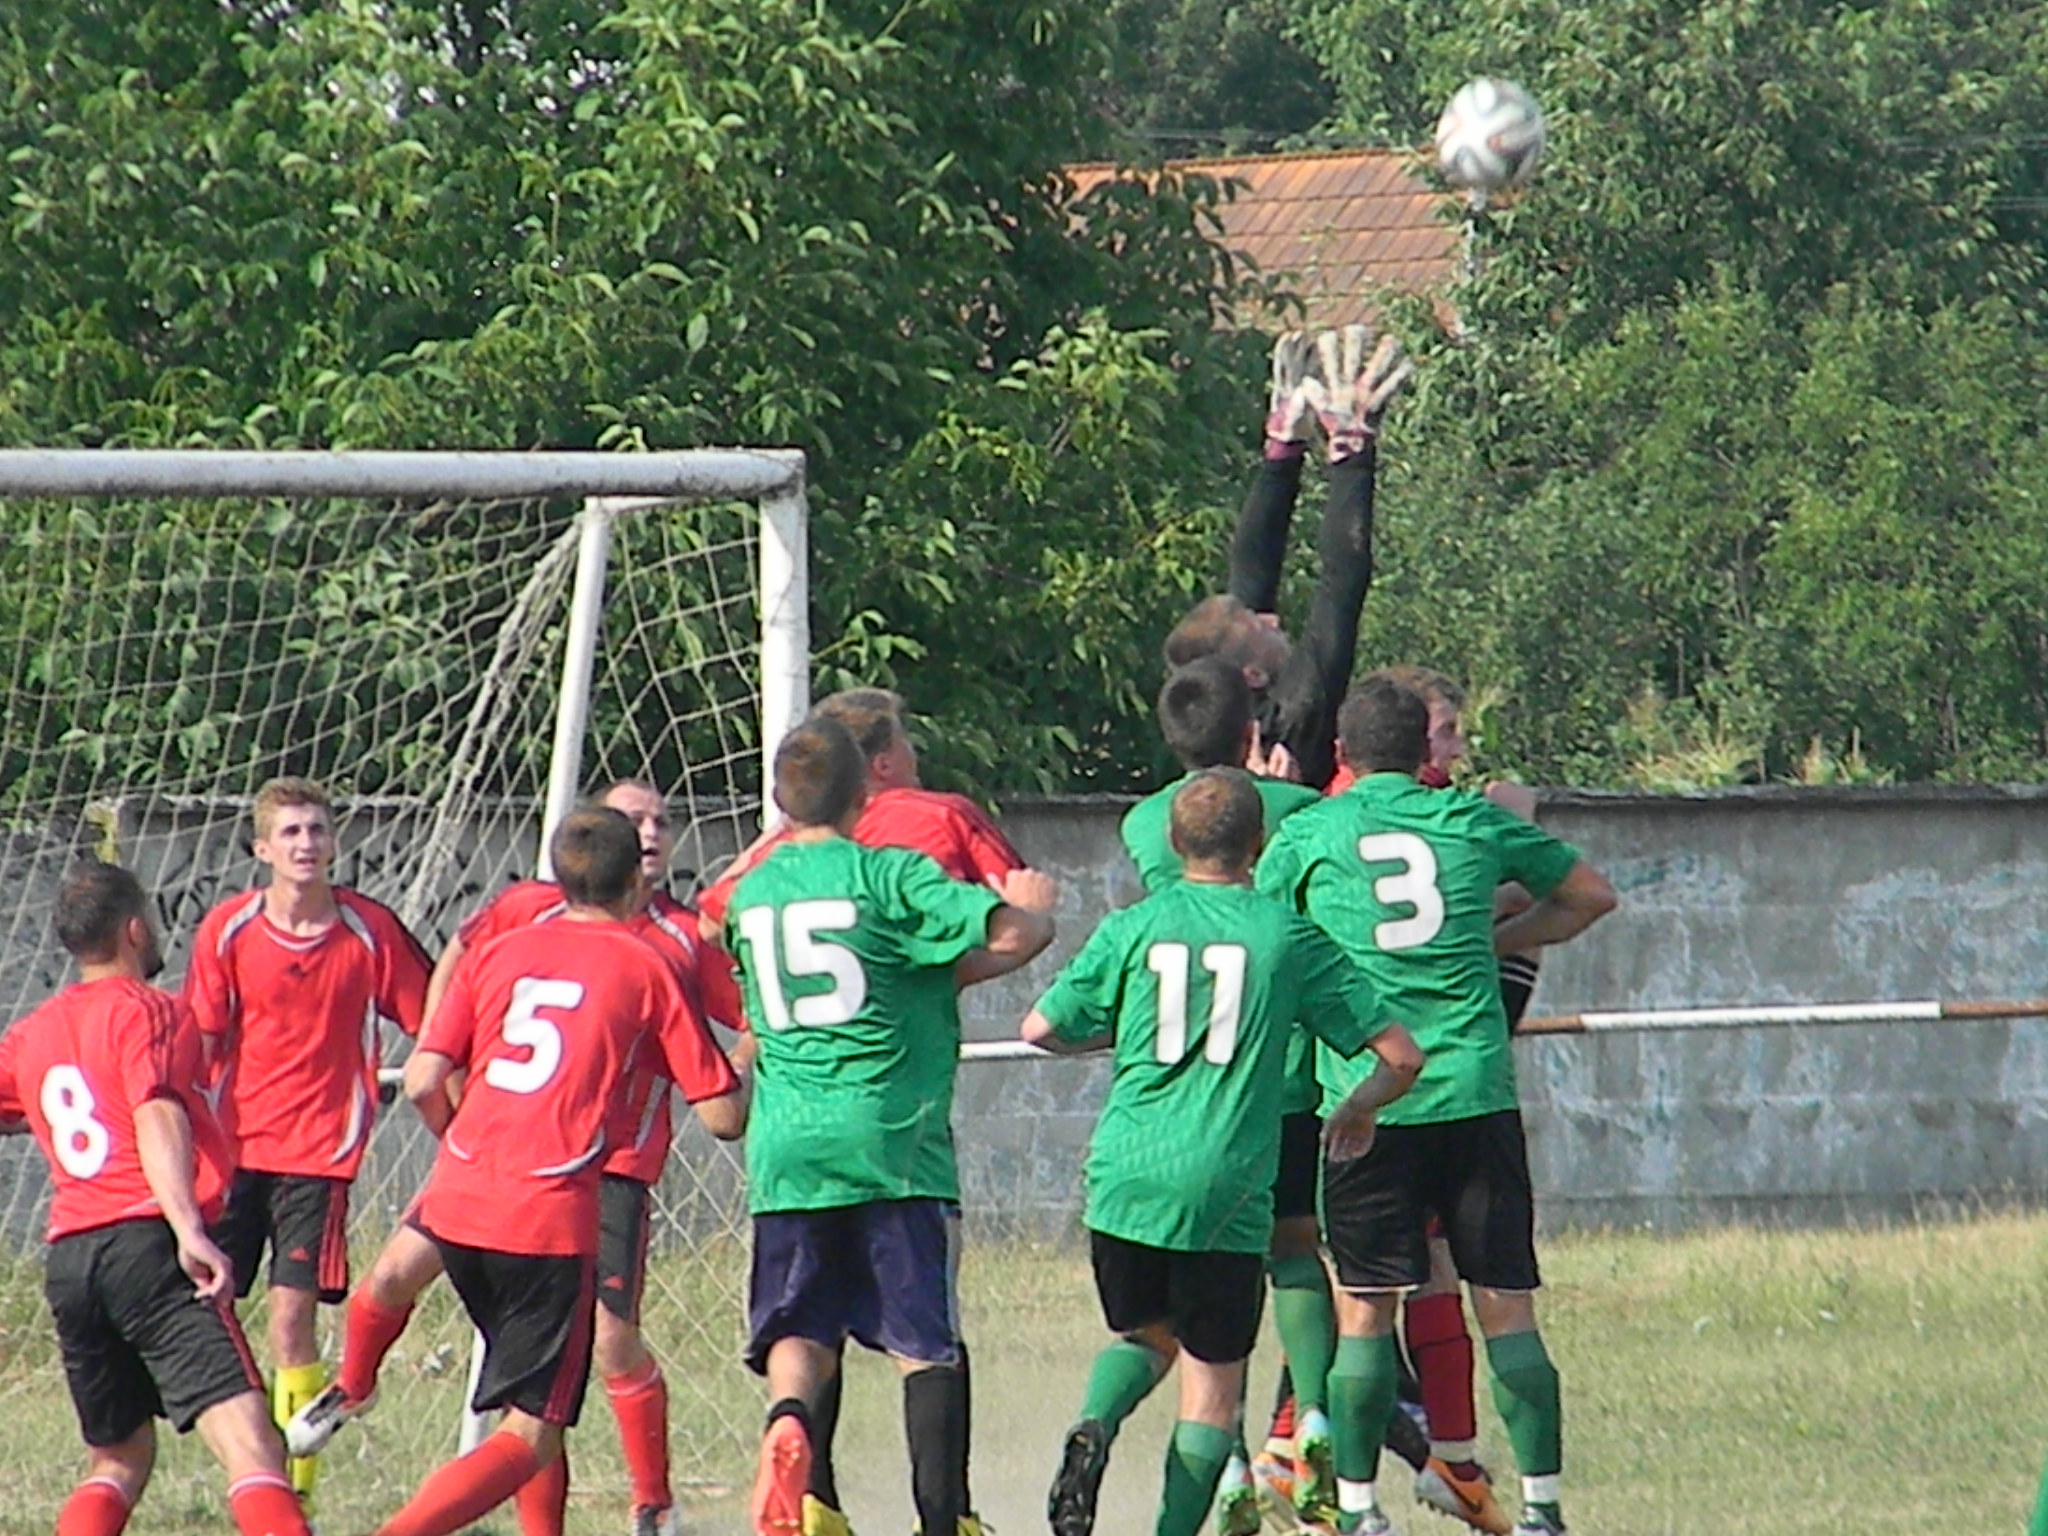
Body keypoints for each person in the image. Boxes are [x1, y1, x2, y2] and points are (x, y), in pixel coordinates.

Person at [289, 778, 745, 1536]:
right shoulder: (651, 961)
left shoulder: (505, 948)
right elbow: (723, 1117)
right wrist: (740, 1073)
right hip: (557, 1208)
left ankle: (639, 1502)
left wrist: (469, 1138)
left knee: (474, 1342)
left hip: (468, 1183)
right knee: (531, 1429)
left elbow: (428, 1076)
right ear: (636, 876)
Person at [1258, 675, 1618, 1536]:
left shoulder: (1310, 833)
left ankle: (1356, 1510)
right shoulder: (1470, 821)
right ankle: (1542, 1507)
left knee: (1366, 1311)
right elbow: (1590, 897)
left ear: (1342, 756)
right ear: (1425, 752)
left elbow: (1267, 936)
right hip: (1472, 1094)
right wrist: (1500, 937)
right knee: (1505, 1305)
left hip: (1366, 1105)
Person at [1027, 769, 1423, 1536]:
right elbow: (1401, 1055)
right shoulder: (1287, 935)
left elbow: (1042, 1029)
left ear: (1174, 845)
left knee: (1143, 1337)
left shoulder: (1133, 926)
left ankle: (1095, 1425)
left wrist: (1130, 1034)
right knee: (1212, 1391)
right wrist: (1360, 1108)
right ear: (1259, 844)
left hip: (1125, 1173)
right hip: (1227, 1188)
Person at [701, 686, 1031, 1536]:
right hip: (894, 1139)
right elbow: (1008, 934)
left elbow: (709, 937)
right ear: (865, 797)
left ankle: (795, 1453)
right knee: (924, 1340)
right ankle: (942, 1520)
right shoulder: (890, 873)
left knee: (801, 1326)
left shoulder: (751, 892)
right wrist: (1036, 907)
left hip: (787, 1144)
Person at [0, 860, 313, 1536]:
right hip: (145, 1245)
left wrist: (43, 1118)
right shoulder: (154, 1011)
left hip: (70, 1259)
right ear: (136, 928)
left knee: (118, 1457)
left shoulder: (31, 1033)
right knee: (253, 1445)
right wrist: (188, 1231)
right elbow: (155, 1112)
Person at [1119, 658, 1348, 1527]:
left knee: (1215, 1291)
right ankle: (1311, 1418)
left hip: (1187, 1086)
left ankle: (1231, 1468)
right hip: (1279, 1063)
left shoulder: (1148, 824)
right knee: (1297, 1245)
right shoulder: (1300, 809)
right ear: (1253, 734)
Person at [183, 776, 431, 1501]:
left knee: (292, 1319)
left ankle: (296, 1495)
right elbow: (198, 1045)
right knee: (210, 1313)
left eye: (317, 830)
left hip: (318, 1156)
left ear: (334, 840)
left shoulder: (368, 931)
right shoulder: (227, 930)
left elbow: (433, 1020)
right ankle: (252, 1461)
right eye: (290, 833)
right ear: (263, 848)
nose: (306, 844)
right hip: (232, 1152)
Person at [1162, 325, 1412, 792]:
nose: (1274, 620)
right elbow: (1342, 582)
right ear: (1252, 676)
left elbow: (1252, 569)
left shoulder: (1214, 700)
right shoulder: (1293, 720)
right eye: (1263, 629)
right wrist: (1351, 457)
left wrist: (1283, 456)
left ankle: (1282, 445)